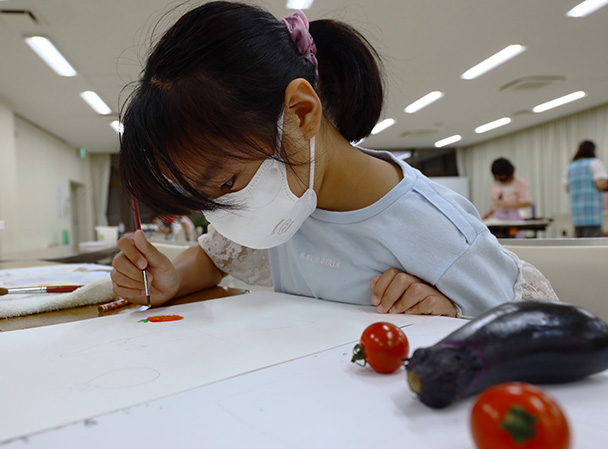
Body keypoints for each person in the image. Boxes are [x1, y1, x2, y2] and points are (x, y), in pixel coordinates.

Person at [111, 1, 557, 319]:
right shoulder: (290, 205)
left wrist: (447, 315)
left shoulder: (433, 229)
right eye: (207, 199)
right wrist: (170, 278)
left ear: (300, 113)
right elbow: (215, 257)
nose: (226, 214)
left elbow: (540, 328)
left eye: (227, 184)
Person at [565, 140, 608, 238]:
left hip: (577, 215)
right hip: (592, 214)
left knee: (579, 246)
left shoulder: (571, 167)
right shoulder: (594, 163)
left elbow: (567, 188)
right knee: (591, 246)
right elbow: (600, 184)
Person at [482, 157, 533, 238]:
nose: (500, 178)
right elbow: (495, 204)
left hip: (513, 218)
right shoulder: (496, 184)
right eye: (498, 176)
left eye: (502, 175)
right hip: (497, 218)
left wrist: (507, 206)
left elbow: (527, 203)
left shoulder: (520, 183)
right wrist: (487, 215)